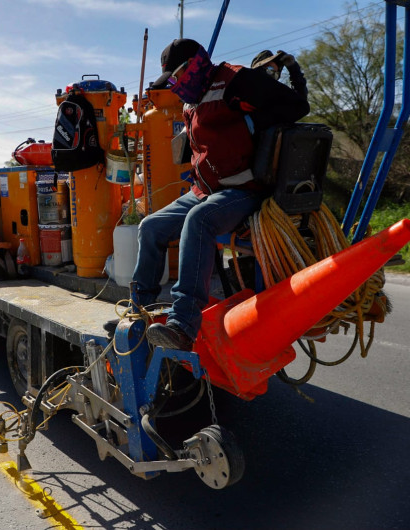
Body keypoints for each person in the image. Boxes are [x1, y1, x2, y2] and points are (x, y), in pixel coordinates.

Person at [131, 38, 309, 351]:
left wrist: (252, 123)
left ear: (195, 65)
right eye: (170, 81)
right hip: (206, 190)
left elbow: (297, 106)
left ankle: (182, 325)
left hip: (245, 190)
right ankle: (139, 314)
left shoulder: (236, 80)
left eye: (176, 77)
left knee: (199, 220)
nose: (175, 86)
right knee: (150, 227)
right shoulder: (190, 102)